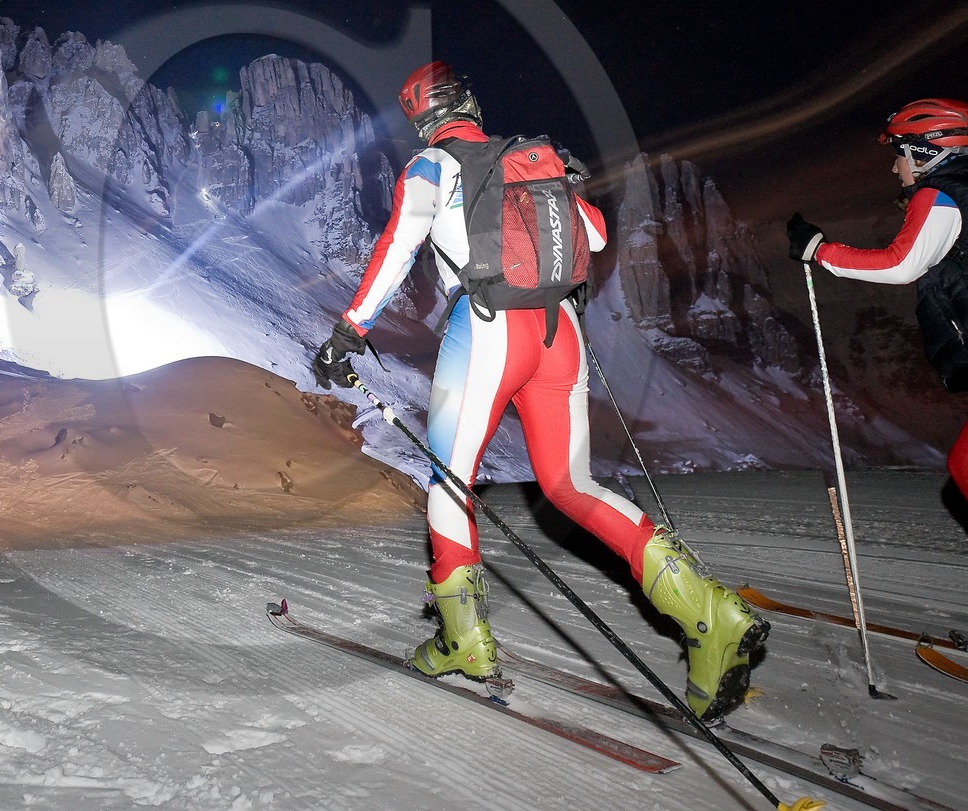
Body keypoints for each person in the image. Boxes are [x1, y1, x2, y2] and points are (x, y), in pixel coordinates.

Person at [314, 60, 767, 721]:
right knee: (572, 487)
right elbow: (599, 236)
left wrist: (350, 329)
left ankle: (465, 641)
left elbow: (396, 247)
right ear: (470, 102)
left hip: (489, 330)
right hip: (561, 332)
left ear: (420, 119)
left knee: (449, 481)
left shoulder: (430, 169)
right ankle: (708, 612)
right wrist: (564, 187)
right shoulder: (534, 160)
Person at [789, 97, 968, 658]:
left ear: (927, 155)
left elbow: (900, 263)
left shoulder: (942, 194)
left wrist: (818, 250)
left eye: (901, 155)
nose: (895, 167)